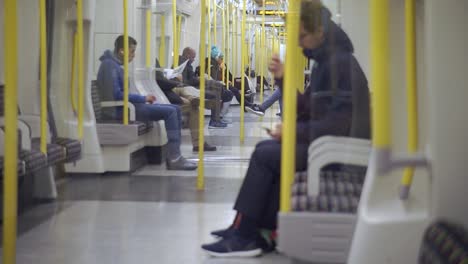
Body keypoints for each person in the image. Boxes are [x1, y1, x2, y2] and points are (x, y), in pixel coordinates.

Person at [201, 0, 370, 257]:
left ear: (319, 33)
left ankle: (246, 233)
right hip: (332, 145)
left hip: (339, 154)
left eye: (302, 36)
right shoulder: (330, 62)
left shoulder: (338, 65)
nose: (300, 44)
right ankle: (249, 229)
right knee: (269, 151)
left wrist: (292, 132)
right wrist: (282, 78)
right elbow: (311, 107)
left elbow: (335, 124)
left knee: (265, 154)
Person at [97, 35, 197, 170]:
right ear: (122, 51)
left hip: (126, 107)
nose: (133, 56)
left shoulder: (114, 65)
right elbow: (116, 95)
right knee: (171, 112)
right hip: (118, 111)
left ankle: (176, 155)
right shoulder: (109, 66)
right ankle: (174, 157)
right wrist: (143, 99)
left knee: (176, 109)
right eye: (132, 52)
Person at [154, 58, 217, 151]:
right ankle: (198, 143)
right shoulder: (150, 59)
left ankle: (194, 99)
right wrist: (177, 81)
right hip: (164, 93)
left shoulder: (149, 58)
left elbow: (161, 79)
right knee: (193, 107)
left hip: (167, 89)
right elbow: (161, 81)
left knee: (185, 88)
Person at [180, 47, 232, 128]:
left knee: (216, 87)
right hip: (189, 88)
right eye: (193, 57)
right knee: (215, 93)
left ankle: (216, 119)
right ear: (187, 55)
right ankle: (215, 120)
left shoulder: (185, 64)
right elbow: (187, 81)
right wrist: (199, 79)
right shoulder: (183, 64)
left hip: (191, 86)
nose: (194, 60)